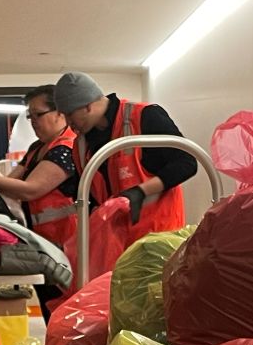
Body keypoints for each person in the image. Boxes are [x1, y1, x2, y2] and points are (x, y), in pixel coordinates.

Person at [51, 72, 196, 240]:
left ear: (87, 106)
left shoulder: (144, 116)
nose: (68, 122)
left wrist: (140, 192)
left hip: (159, 241)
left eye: (69, 114)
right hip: (115, 245)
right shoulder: (81, 146)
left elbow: (187, 162)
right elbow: (90, 197)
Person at [0, 86, 81, 303]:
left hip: (68, 247)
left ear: (60, 112)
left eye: (38, 115)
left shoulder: (66, 148)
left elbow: (30, 189)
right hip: (44, 245)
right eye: (29, 116)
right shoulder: (37, 148)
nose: (33, 121)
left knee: (65, 308)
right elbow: (11, 184)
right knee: (49, 306)